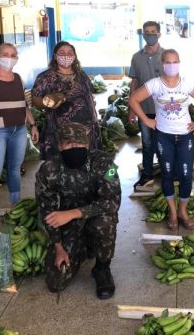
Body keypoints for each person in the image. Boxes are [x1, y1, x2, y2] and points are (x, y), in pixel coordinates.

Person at [36, 122, 121, 299]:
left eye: (79, 143)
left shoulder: (106, 164)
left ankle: (102, 268)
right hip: (67, 224)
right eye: (68, 143)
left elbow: (112, 202)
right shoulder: (48, 170)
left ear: (87, 144)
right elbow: (47, 212)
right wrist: (59, 247)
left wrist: (73, 213)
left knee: (106, 221)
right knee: (56, 282)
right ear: (60, 146)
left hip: (94, 217)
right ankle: (82, 247)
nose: (74, 147)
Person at [128, 49, 194, 230]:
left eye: (175, 62)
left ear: (179, 63)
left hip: (185, 136)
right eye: (168, 62)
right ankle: (172, 212)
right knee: (167, 174)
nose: (172, 66)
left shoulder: (186, 84)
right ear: (162, 64)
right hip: (164, 136)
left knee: (186, 175)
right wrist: (146, 120)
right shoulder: (155, 84)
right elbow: (133, 99)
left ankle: (183, 211)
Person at [31, 41, 102, 160]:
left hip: (87, 129)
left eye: (70, 52)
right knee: (60, 163)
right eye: (62, 52)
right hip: (61, 131)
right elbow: (35, 100)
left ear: (74, 56)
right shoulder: (46, 77)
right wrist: (48, 103)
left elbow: (89, 94)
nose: (66, 55)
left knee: (89, 161)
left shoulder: (81, 74)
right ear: (55, 56)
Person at [0, 43, 39, 204]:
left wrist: (33, 125)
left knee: (14, 169)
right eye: (5, 54)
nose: (9, 58)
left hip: (19, 130)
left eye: (13, 55)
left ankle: (15, 204)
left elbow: (24, 105)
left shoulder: (18, 79)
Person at [128, 21, 165, 191]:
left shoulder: (166, 56)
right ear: (143, 35)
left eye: (153, 32)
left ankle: (168, 174)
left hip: (164, 110)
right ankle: (147, 175)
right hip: (143, 109)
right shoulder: (137, 57)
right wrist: (131, 109)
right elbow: (134, 83)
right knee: (147, 144)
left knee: (164, 144)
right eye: (147, 32)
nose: (150, 35)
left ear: (159, 34)